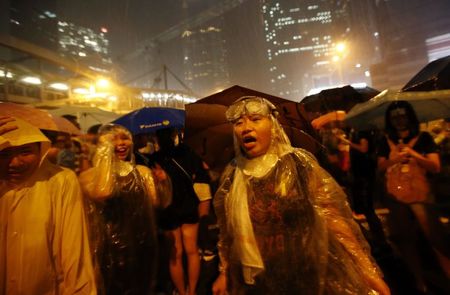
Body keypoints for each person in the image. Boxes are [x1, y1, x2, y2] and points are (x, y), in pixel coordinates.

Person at [212, 97, 390, 295]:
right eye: (238, 123)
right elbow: (228, 232)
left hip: (306, 274)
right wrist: (225, 271)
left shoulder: (299, 163)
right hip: (257, 281)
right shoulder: (233, 174)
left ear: (273, 125)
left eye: (255, 119)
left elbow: (334, 219)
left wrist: (368, 271)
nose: (246, 127)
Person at [0, 116, 96, 294]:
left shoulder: (60, 181)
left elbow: (74, 252)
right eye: (4, 153)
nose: (15, 163)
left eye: (25, 151)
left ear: (40, 148)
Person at [79, 124, 170, 295]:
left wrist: (162, 183)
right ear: (102, 145)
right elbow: (104, 191)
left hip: (140, 243)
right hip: (108, 249)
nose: (121, 143)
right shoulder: (90, 175)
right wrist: (106, 154)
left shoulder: (142, 171)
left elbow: (157, 203)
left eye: (125, 138)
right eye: (114, 139)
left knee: (140, 286)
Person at [377, 101, 450, 292]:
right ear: (389, 120)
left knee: (435, 237)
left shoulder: (424, 138)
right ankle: (419, 281)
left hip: (421, 195)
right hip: (396, 195)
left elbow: (435, 166)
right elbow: (380, 167)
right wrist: (395, 159)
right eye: (395, 117)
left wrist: (413, 154)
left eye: (402, 115)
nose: (399, 120)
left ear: (410, 116)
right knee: (405, 239)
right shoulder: (384, 141)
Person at [150, 127, 212, 295]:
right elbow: (201, 177)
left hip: (168, 211)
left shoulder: (155, 159)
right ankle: (191, 291)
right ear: (174, 135)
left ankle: (182, 292)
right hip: (188, 206)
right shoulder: (188, 153)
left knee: (175, 255)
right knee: (192, 251)